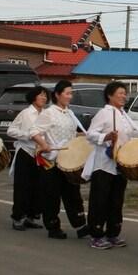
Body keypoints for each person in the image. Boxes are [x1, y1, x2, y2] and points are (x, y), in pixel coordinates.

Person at [84, 81, 138, 249]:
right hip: (104, 164)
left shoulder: (124, 115)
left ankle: (113, 233)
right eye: (120, 93)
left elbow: (129, 135)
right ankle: (96, 235)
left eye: (125, 93)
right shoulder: (104, 113)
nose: (124, 96)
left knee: (116, 200)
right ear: (110, 95)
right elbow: (90, 135)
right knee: (100, 200)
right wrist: (106, 137)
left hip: (121, 163)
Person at [33, 80, 89, 238]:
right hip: (52, 160)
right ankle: (52, 226)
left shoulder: (69, 112)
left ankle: (80, 225)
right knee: (52, 194)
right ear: (57, 95)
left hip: (68, 159)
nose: (70, 96)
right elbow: (34, 131)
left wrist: (83, 136)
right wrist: (43, 144)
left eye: (71, 93)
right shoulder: (49, 113)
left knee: (73, 193)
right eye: (67, 93)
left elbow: (71, 134)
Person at [7, 86, 49, 232]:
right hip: (26, 152)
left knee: (38, 187)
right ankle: (18, 217)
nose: (43, 98)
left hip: (41, 154)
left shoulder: (46, 114)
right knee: (22, 187)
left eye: (45, 95)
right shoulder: (26, 113)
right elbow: (11, 130)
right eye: (41, 95)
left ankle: (31, 217)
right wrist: (28, 135)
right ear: (33, 97)